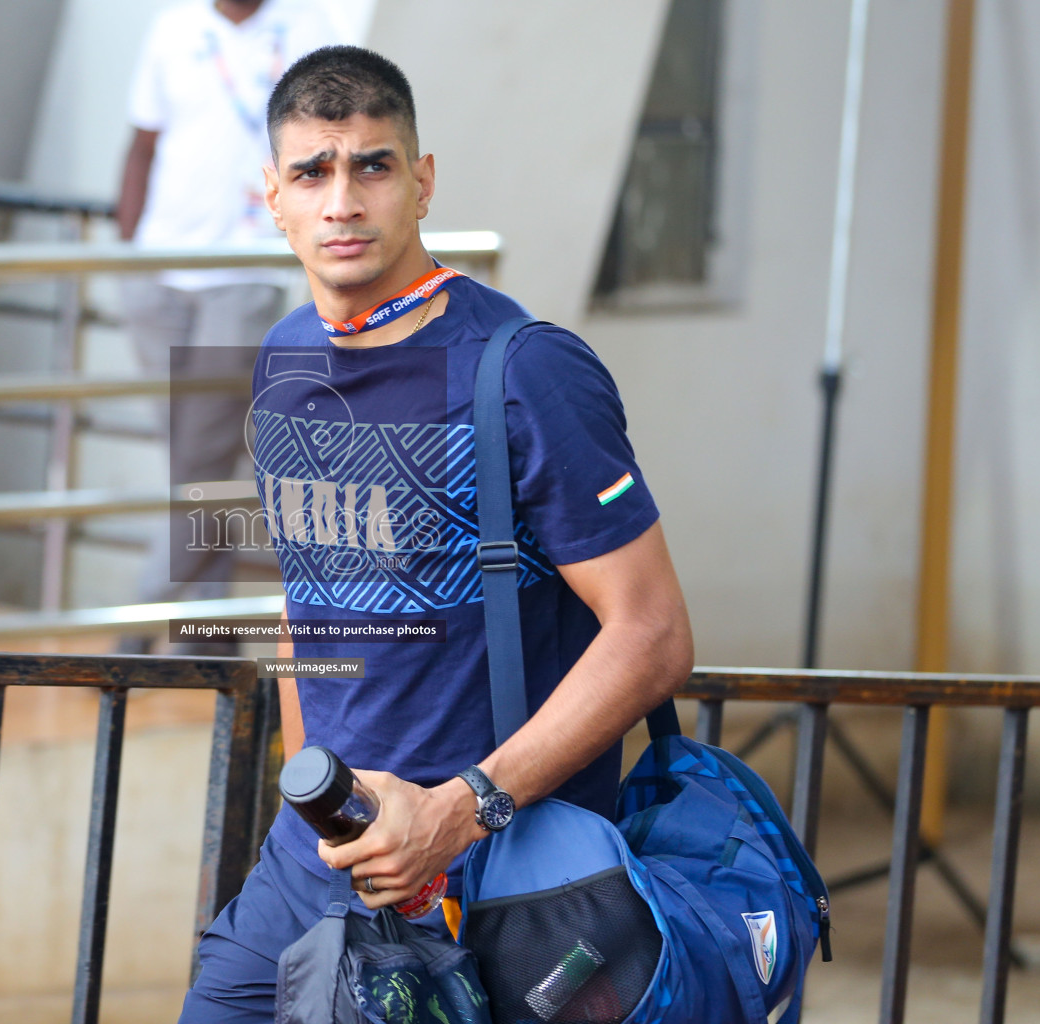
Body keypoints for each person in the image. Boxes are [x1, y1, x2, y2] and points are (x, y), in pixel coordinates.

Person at [180, 46, 695, 1021]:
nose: (342, 201)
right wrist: (311, 805)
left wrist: (458, 811)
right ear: (273, 199)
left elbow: (654, 633)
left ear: (421, 183)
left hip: (494, 879)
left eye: (372, 165)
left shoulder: (525, 371)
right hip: (313, 869)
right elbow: (307, 598)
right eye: (312, 172)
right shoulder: (286, 358)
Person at [115, 0, 338, 651]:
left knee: (205, 457)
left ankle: (134, 621)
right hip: (158, 275)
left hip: (244, 272)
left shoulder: (307, 29)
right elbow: (141, 146)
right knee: (193, 462)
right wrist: (126, 256)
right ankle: (207, 637)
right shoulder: (175, 25)